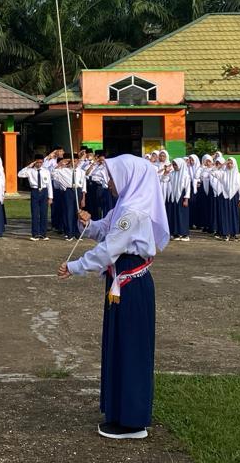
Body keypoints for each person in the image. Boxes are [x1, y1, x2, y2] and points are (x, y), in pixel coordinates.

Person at [58, 154, 168, 440]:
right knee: (120, 345)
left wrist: (75, 266)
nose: (108, 182)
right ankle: (120, 411)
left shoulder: (133, 212)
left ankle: (133, 421)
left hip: (131, 285)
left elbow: (109, 250)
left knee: (131, 348)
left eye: (112, 177)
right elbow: (104, 231)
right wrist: (88, 223)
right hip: (120, 284)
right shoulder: (124, 207)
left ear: (129, 178)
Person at [19, 154, 53, 241]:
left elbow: (49, 185)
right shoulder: (30, 171)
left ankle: (43, 234)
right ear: (35, 162)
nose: (39, 164)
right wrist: (29, 166)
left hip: (44, 191)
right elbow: (20, 174)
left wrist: (50, 197)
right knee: (35, 214)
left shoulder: (46, 171)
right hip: (35, 191)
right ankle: (35, 234)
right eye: (37, 162)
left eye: (41, 162)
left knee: (44, 213)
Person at [215, 157, 240, 241]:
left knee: (234, 215)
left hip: (234, 197)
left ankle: (233, 234)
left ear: (234, 164)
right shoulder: (223, 173)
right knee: (225, 215)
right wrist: (223, 164)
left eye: (231, 163)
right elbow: (212, 172)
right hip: (225, 196)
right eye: (228, 163)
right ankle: (225, 233)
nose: (229, 165)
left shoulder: (238, 175)